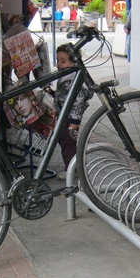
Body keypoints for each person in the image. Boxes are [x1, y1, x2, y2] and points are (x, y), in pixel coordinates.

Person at [51, 44, 93, 180]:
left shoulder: (74, 78)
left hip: (70, 119)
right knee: (63, 141)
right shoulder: (66, 76)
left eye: (63, 61)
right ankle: (73, 166)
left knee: (68, 143)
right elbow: (62, 95)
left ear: (74, 61)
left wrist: (75, 122)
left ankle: (71, 169)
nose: (59, 64)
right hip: (64, 116)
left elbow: (78, 102)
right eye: (58, 61)